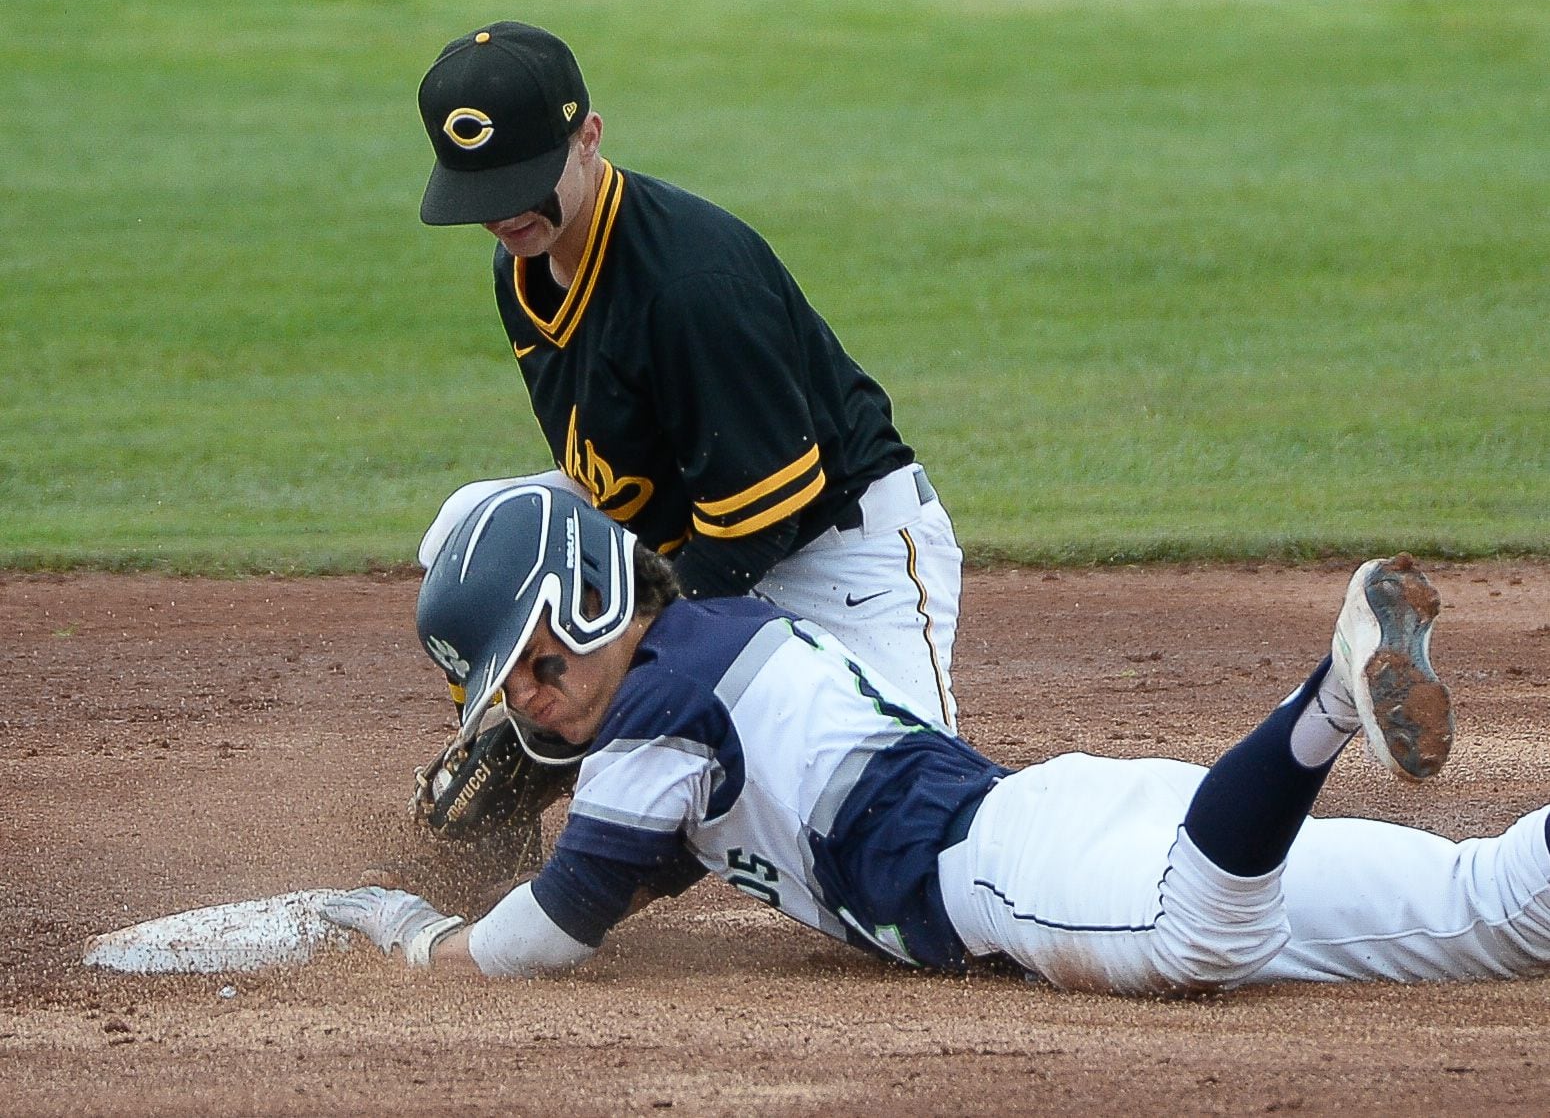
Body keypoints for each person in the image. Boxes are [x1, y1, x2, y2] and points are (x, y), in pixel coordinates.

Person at [325, 486, 1550, 995]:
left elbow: (547, 934)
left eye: (539, 664)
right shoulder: (714, 646)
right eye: (512, 692)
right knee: (1491, 903)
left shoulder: (653, 709)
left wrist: (421, 938)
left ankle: (1329, 700)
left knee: (1194, 939)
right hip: (1063, 821)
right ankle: (1326, 714)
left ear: (593, 596)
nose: (533, 703)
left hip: (1015, 876)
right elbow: (660, 856)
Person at [409, 20, 960, 733]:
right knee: (470, 526)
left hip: (836, 557)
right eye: (483, 193)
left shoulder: (690, 285)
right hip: (686, 542)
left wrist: (623, 661)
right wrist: (552, 692)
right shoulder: (522, 265)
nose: (505, 214)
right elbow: (603, 474)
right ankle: (509, 741)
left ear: (590, 138)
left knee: (895, 802)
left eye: (522, 182)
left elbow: (756, 526)